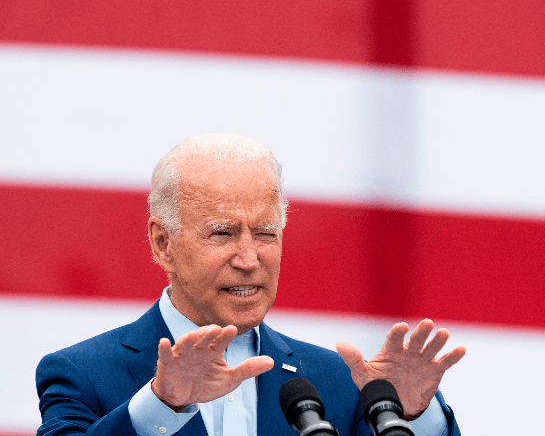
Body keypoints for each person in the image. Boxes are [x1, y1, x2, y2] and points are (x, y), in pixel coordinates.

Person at [36, 133, 466, 436]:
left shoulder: (338, 385)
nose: (249, 259)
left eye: (265, 234)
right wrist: (162, 405)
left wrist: (410, 417)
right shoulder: (82, 374)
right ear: (163, 243)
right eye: (222, 233)